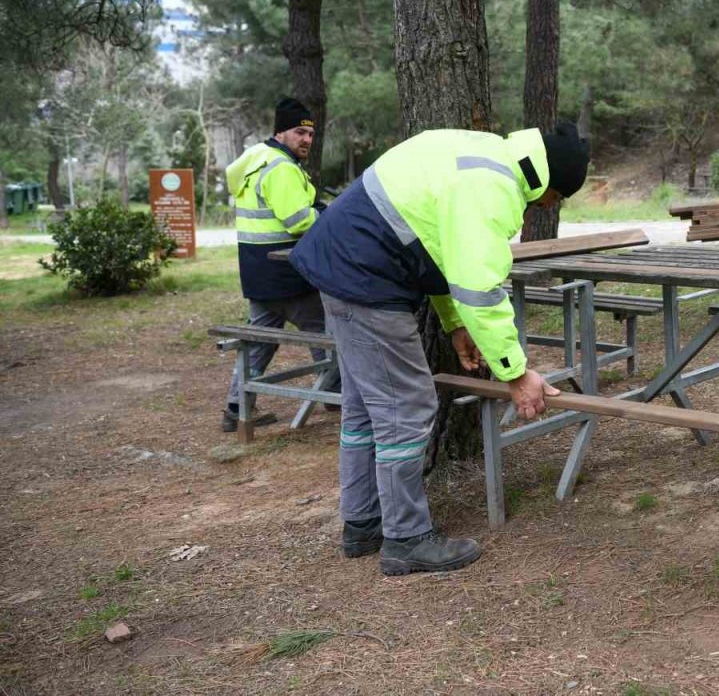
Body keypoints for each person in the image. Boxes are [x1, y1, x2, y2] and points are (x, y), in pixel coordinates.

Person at [289, 121, 591, 576]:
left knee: (365, 407)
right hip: (367, 278)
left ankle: (363, 523)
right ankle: (406, 537)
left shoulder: (482, 154)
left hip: (343, 264)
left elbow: (437, 246)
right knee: (406, 406)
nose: (550, 206)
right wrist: (515, 373)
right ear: (548, 182)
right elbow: (480, 290)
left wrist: (454, 324)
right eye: (557, 197)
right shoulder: (492, 187)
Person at [222, 98, 331, 433]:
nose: (307, 140)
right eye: (299, 132)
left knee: (261, 340)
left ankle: (236, 407)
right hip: (289, 274)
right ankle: (335, 394)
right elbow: (299, 221)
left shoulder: (256, 160)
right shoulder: (281, 167)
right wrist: (326, 214)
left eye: (310, 134)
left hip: (257, 274)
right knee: (326, 332)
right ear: (280, 132)